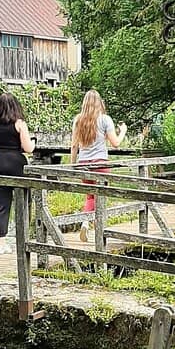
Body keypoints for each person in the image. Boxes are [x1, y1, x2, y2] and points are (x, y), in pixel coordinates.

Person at [70, 89, 127, 241]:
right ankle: (90, 225)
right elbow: (115, 143)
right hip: (100, 163)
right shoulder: (105, 119)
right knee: (100, 197)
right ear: (99, 103)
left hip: (83, 163)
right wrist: (123, 131)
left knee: (90, 197)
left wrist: (72, 166)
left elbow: (74, 146)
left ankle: (87, 223)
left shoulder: (78, 120)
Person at [0, 92, 34, 254]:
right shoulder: (20, 124)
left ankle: (1, 243)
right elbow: (27, 148)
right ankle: (24, 236)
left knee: (3, 205)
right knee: (25, 201)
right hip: (16, 164)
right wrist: (33, 142)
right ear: (16, 107)